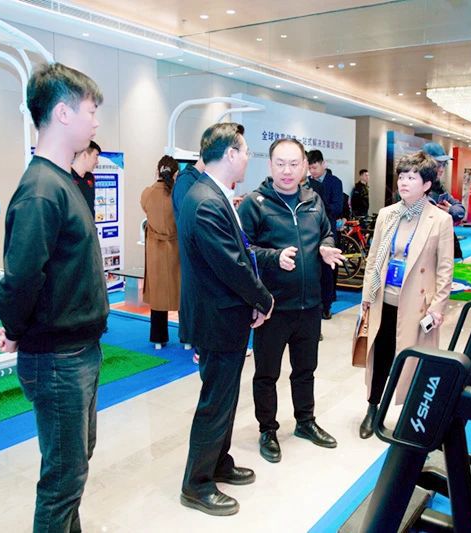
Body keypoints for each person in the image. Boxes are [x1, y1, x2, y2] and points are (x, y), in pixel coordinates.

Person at [0, 63, 108, 532]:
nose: (96, 122)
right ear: (63, 113)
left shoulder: (63, 181)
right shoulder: (42, 190)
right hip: (58, 359)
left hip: (78, 352)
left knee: (74, 467)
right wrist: (15, 327)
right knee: (63, 479)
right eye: (90, 111)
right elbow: (21, 278)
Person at [179, 122, 275, 517]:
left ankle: (219, 462)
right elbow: (231, 264)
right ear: (231, 154)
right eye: (246, 151)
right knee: (215, 401)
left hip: (224, 315)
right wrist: (263, 298)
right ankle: (197, 483)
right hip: (215, 319)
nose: (249, 158)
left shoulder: (213, 193)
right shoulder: (205, 201)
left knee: (225, 397)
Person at [238, 138, 344, 464]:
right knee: (266, 374)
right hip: (272, 307)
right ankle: (267, 430)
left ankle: (305, 422)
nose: (287, 171)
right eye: (280, 164)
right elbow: (241, 250)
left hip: (309, 305)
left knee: (305, 370)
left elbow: (327, 232)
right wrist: (273, 257)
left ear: (304, 167)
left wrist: (326, 246)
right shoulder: (255, 204)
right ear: (270, 165)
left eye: (294, 164)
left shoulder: (313, 200)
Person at [358, 151, 454, 439]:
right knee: (380, 356)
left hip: (417, 305)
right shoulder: (387, 214)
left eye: (412, 177)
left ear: (427, 184)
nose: (404, 182)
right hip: (384, 299)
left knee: (413, 361)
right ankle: (373, 409)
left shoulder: (440, 220)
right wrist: (367, 295)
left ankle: (410, 414)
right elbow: (374, 258)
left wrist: (437, 307)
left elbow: (445, 268)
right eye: (402, 176)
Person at [141, 155, 182, 350]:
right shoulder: (179, 195)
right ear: (176, 173)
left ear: (157, 171)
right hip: (177, 250)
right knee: (181, 293)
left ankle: (158, 338)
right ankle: (187, 338)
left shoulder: (147, 194)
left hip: (155, 251)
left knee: (158, 296)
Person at [307, 149, 343, 320]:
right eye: (309, 168)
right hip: (310, 232)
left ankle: (327, 305)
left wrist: (319, 205)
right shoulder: (307, 184)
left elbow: (337, 207)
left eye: (314, 167)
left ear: (323, 164)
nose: (312, 171)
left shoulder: (334, 182)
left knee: (327, 270)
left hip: (327, 231)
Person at [422, 142, 465, 259]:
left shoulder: (439, 188)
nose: (441, 169)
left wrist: (450, 210)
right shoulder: (416, 190)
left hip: (444, 247)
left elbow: (460, 210)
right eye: (437, 164)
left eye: (444, 165)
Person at [71, 140, 100, 219]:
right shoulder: (66, 177)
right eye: (96, 157)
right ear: (85, 155)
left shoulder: (90, 177)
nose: (97, 162)